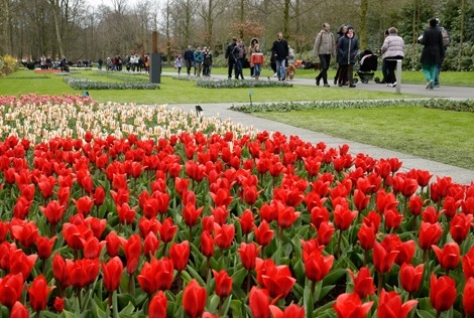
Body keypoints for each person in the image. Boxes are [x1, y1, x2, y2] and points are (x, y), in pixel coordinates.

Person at [420, 18, 444, 90]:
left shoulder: (427, 31)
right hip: (436, 51)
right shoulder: (439, 32)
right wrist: (442, 53)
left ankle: (429, 79)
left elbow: (424, 42)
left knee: (425, 67)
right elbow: (441, 43)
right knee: (433, 67)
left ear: (430, 23)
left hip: (427, 50)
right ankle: (432, 85)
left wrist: (420, 40)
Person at [313, 23, 336, 87]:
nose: (328, 28)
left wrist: (334, 53)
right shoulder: (320, 34)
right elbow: (317, 43)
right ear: (324, 27)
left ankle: (318, 78)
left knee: (326, 67)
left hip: (328, 53)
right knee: (324, 67)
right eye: (327, 27)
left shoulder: (331, 35)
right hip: (322, 53)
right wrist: (315, 53)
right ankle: (325, 82)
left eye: (329, 26)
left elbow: (333, 44)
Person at [435, 19, 450, 87]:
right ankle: (436, 80)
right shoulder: (444, 30)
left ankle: (435, 82)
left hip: (434, 50)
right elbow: (449, 40)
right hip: (443, 50)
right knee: (439, 66)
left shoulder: (432, 30)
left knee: (434, 66)